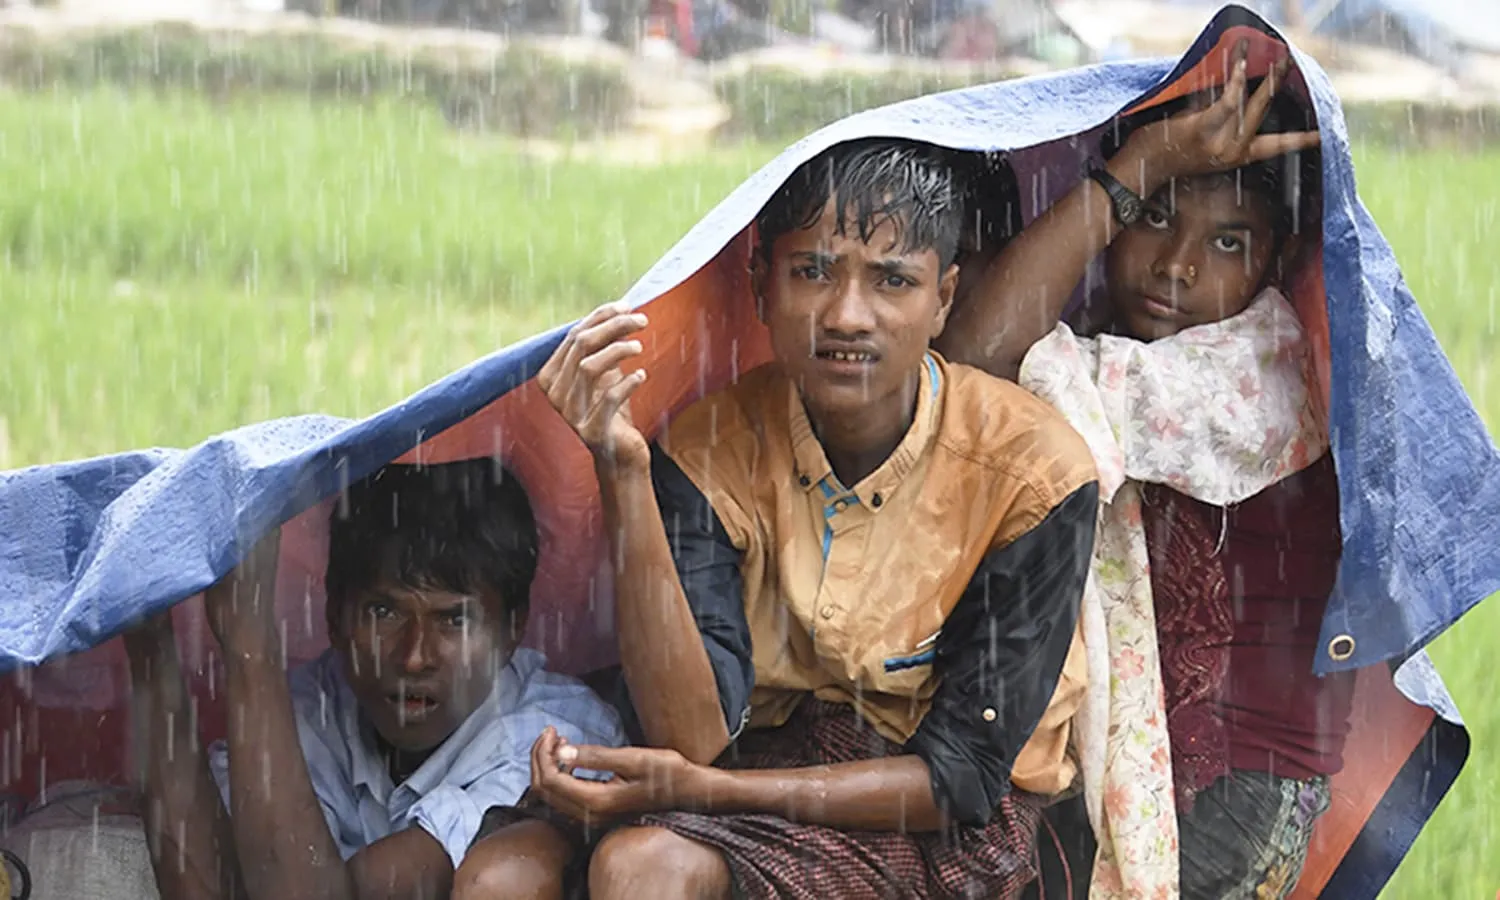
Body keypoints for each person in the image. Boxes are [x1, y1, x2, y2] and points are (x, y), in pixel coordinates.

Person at [526, 137, 1100, 899]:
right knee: (508, 870)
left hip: (936, 809)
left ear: (944, 300)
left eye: (893, 281)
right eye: (812, 272)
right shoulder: (708, 448)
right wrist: (622, 470)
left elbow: (957, 780)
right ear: (761, 288)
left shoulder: (1035, 471)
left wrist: (700, 792)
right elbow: (690, 737)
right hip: (756, 754)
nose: (847, 316)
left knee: (642, 870)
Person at [938, 41, 1353, 899]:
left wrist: (1150, 163)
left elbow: (971, 362)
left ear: (1274, 263)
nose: (1177, 265)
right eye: (1156, 215)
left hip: (1236, 785)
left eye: (1227, 239)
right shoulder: (1104, 346)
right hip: (1117, 755)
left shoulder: (1257, 371)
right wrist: (1144, 162)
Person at [123, 459, 624, 900]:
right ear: (335, 619)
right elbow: (205, 890)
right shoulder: (311, 708)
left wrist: (249, 645)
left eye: (454, 620)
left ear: (513, 629)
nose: (414, 657)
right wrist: (151, 649)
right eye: (385, 611)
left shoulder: (554, 739)